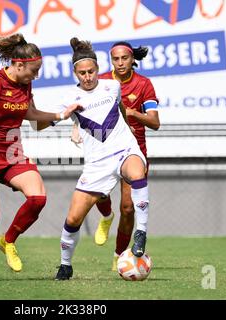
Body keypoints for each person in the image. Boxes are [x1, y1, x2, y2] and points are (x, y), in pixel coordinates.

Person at [0, 33, 81, 282]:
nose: (36, 76)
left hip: (12, 153)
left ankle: (8, 241)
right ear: (19, 65)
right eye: (34, 71)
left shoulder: (25, 84)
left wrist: (61, 115)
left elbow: (31, 115)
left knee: (38, 198)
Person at [35, 37, 150, 280]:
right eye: (82, 73)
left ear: (98, 69)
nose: (87, 77)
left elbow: (119, 111)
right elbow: (38, 126)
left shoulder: (113, 86)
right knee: (73, 218)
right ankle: (65, 265)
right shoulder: (69, 97)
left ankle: (141, 232)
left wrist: (129, 136)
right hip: (98, 164)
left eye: (91, 71)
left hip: (125, 150)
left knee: (137, 173)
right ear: (75, 73)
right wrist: (63, 115)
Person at [84, 41, 160, 271]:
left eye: (124, 58)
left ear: (131, 59)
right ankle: (106, 216)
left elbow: (155, 122)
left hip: (132, 151)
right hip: (103, 149)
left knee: (128, 208)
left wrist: (134, 112)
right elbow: (82, 106)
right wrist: (76, 128)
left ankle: (119, 256)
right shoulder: (102, 81)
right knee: (98, 194)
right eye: (115, 59)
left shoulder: (143, 84)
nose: (120, 63)